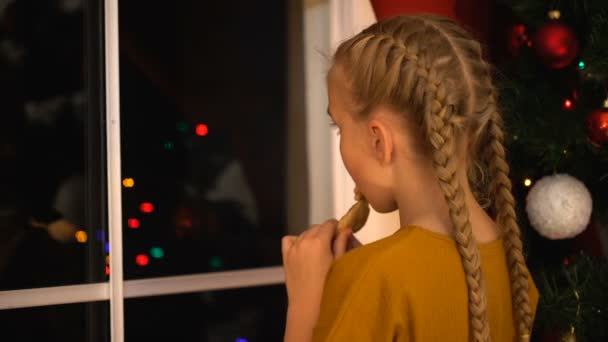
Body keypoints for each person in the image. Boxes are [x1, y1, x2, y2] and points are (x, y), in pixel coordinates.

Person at [281, 14, 539, 342]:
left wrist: (304, 306)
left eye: (340, 127)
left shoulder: (375, 279)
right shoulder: (514, 269)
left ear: (379, 142)